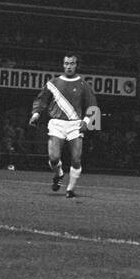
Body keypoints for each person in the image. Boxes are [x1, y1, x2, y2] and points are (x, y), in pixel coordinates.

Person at [28, 54, 101, 198]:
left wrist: (86, 121)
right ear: (63, 65)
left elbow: (93, 105)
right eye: (66, 63)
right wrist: (36, 114)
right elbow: (41, 100)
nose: (69, 66)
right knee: (54, 158)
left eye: (72, 63)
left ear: (76, 65)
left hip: (75, 124)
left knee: (76, 159)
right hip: (57, 123)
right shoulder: (53, 83)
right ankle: (59, 174)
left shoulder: (83, 84)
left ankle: (70, 189)